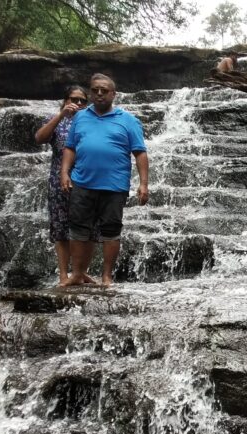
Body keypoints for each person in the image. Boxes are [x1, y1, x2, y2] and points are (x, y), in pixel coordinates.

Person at [60, 73, 149, 287]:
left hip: (114, 185)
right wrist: (64, 172)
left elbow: (140, 153)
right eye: (95, 90)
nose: (99, 94)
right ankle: (78, 274)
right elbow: (70, 147)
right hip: (82, 182)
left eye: (105, 91)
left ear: (113, 94)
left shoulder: (128, 120)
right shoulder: (80, 117)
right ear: (90, 92)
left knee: (111, 231)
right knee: (78, 229)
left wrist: (143, 184)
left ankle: (106, 277)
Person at [34, 84, 90, 284]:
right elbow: (40, 138)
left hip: (88, 181)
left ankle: (80, 272)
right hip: (60, 182)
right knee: (61, 229)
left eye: (82, 100)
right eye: (74, 99)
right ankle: (63, 275)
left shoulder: (91, 121)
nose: (78, 103)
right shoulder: (58, 121)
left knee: (84, 229)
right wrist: (60, 115)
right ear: (65, 101)